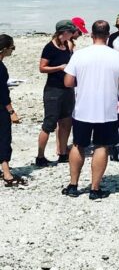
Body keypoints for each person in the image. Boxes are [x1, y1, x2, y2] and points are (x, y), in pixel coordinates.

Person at [62, 19, 119, 200]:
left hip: (83, 108)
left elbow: (68, 82)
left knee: (79, 145)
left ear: (92, 35)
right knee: (102, 146)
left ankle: (73, 185)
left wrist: (84, 81)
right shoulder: (118, 57)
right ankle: (94, 188)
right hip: (106, 109)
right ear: (108, 36)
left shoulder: (79, 55)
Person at [36, 20, 77, 167]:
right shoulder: (49, 48)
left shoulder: (68, 45)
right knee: (49, 124)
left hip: (67, 88)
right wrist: (59, 67)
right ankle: (40, 156)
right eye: (71, 32)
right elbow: (42, 68)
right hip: (53, 89)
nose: (73, 34)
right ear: (63, 32)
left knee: (66, 121)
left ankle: (62, 153)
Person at [0, 35, 27, 187]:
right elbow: (3, 93)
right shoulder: (1, 68)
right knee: (4, 138)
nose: (13, 51)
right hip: (0, 108)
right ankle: (7, 174)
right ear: (4, 49)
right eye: (12, 48)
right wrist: (11, 112)